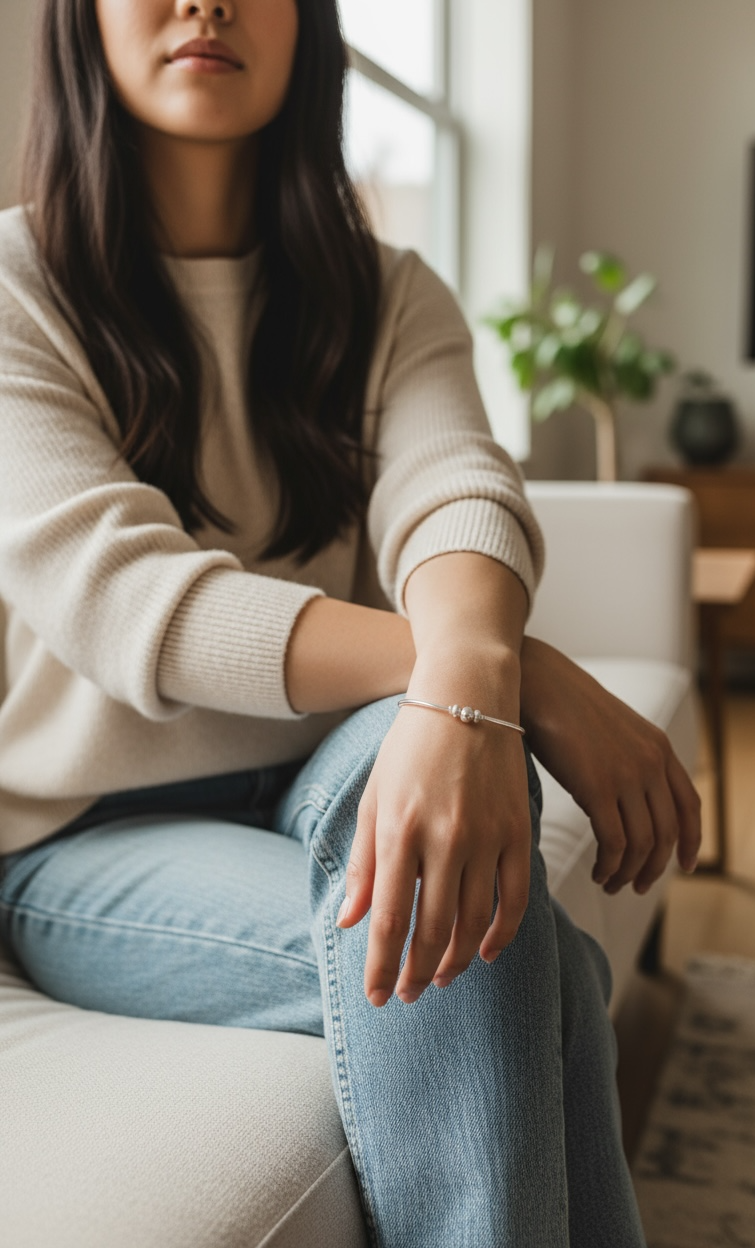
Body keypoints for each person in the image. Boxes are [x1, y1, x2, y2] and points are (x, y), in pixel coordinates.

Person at [0, 1, 701, 1244]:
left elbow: (455, 492)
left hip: (311, 769)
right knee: (495, 944)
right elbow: (130, 604)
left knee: (444, 806)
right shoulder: (15, 288)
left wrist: (466, 681)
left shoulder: (385, 294)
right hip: (79, 834)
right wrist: (512, 673)